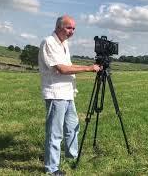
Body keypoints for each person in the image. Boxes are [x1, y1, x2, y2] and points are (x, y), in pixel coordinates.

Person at [38, 15, 101, 175]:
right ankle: (52, 169)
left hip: (67, 93)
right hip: (56, 92)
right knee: (55, 132)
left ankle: (72, 156)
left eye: (73, 28)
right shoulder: (49, 42)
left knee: (73, 127)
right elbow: (62, 69)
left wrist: (91, 66)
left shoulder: (64, 44)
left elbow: (69, 65)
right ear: (59, 27)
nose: (72, 31)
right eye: (68, 28)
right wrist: (88, 68)